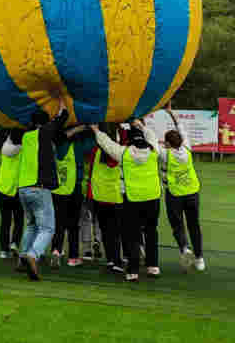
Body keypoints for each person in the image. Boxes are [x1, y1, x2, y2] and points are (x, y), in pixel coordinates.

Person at [90, 119, 161, 282]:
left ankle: (133, 271)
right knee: (151, 232)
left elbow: (107, 144)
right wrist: (141, 125)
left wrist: (95, 130)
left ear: (129, 141)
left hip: (132, 200)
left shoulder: (124, 153)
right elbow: (152, 136)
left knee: (132, 236)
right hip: (152, 198)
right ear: (144, 140)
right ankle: (153, 266)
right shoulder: (154, 151)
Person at [16, 96, 68, 281]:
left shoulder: (26, 136)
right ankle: (33, 255)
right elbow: (61, 119)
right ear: (44, 124)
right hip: (39, 188)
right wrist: (62, 105)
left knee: (31, 225)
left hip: (23, 189)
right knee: (47, 228)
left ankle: (23, 257)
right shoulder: (43, 133)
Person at [159, 102, 205, 272]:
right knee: (194, 225)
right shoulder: (187, 147)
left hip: (175, 195)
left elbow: (149, 140)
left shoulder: (164, 155)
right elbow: (181, 126)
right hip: (192, 192)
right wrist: (171, 112)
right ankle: (200, 259)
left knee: (177, 225)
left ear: (168, 144)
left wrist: (140, 124)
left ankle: (184, 248)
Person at [84, 124, 125, 275]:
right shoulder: (118, 153)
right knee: (114, 232)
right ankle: (117, 261)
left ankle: (110, 260)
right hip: (113, 198)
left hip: (99, 197)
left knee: (106, 231)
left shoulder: (95, 152)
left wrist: (93, 130)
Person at [50, 125, 88, 268]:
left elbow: (57, 137)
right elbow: (93, 142)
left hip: (58, 190)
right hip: (74, 189)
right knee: (73, 225)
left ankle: (56, 250)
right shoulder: (78, 146)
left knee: (58, 224)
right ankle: (73, 257)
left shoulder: (58, 145)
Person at [0, 128, 25, 259]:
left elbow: (9, 138)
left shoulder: (5, 148)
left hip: (2, 189)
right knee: (19, 220)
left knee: (5, 222)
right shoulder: (24, 150)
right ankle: (14, 243)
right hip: (18, 191)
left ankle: (3, 250)